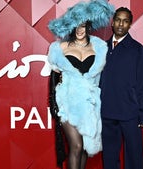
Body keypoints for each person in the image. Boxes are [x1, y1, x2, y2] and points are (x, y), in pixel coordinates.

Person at [47, 0, 114, 169]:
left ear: (88, 26)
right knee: (76, 146)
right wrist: (53, 104)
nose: (80, 30)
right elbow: (53, 79)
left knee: (84, 148)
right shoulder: (59, 48)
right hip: (67, 104)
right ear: (71, 27)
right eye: (76, 26)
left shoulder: (99, 47)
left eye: (83, 25)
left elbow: (102, 79)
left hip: (89, 105)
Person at [99, 7, 143, 169]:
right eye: (118, 20)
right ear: (112, 22)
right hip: (107, 113)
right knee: (109, 158)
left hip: (130, 113)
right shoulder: (102, 49)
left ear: (130, 25)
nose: (120, 24)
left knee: (134, 158)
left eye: (125, 21)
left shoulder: (137, 50)